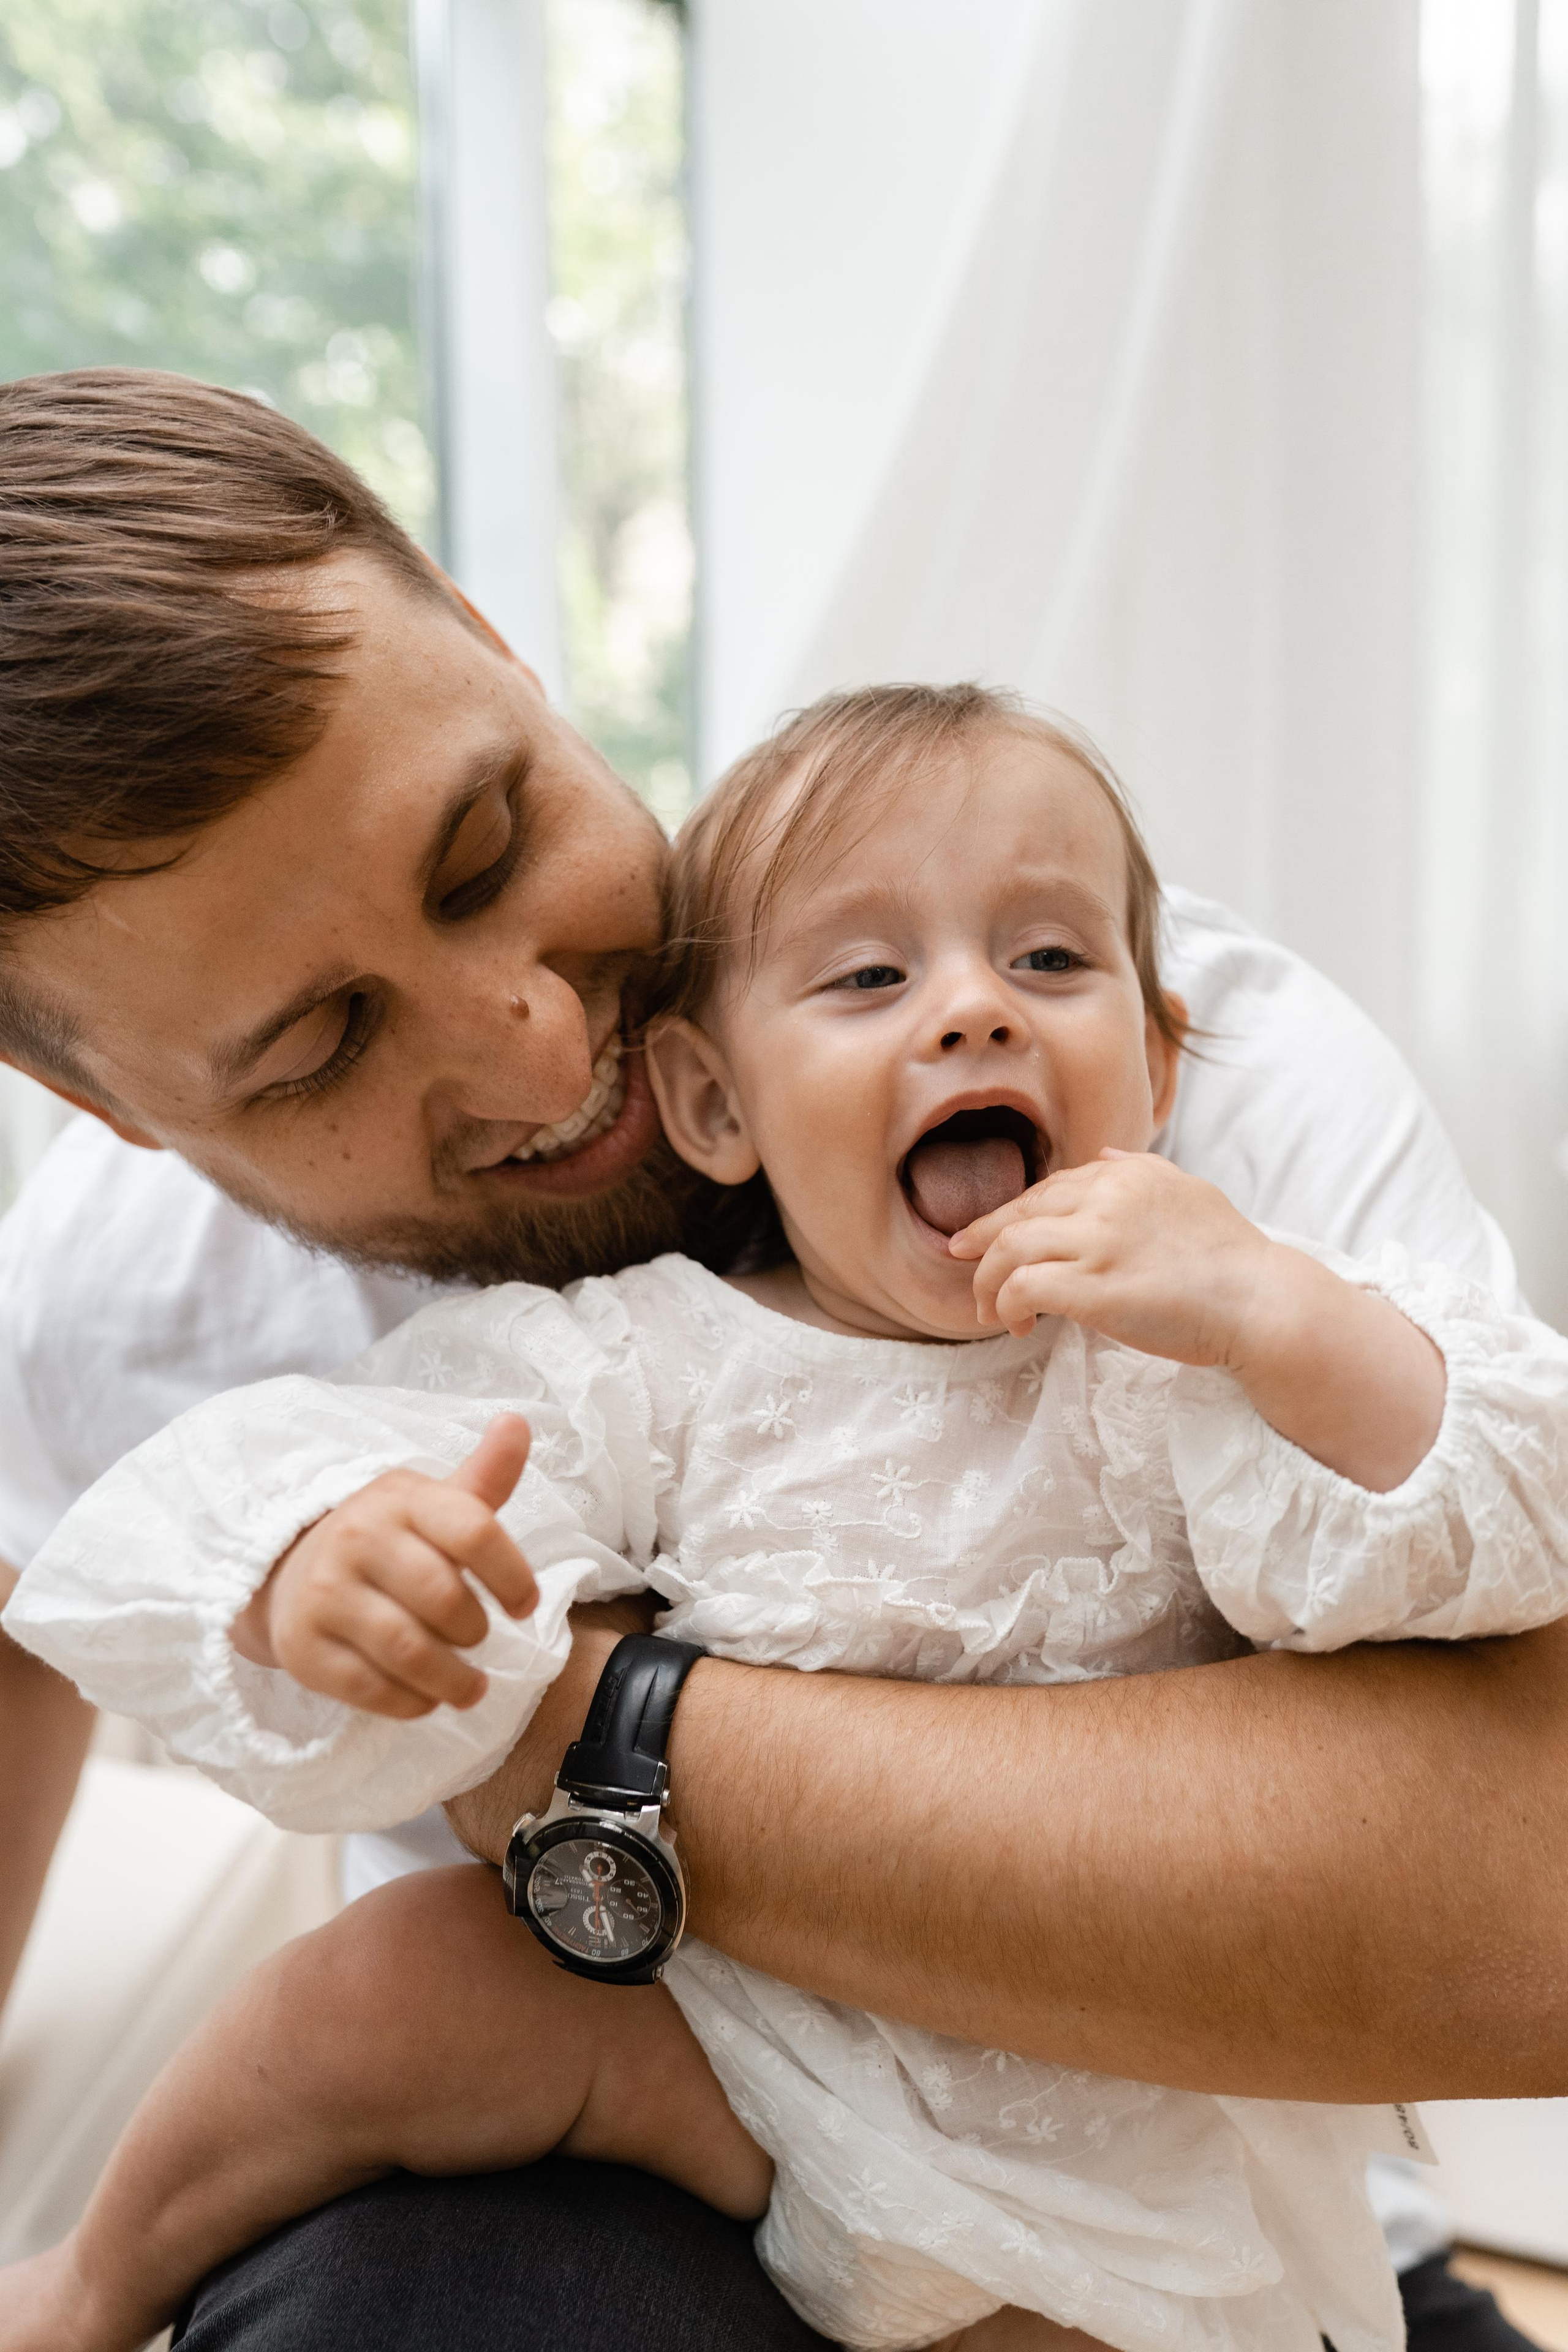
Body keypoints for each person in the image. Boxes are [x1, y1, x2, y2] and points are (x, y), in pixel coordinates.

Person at [0, 371, 1559, 2352]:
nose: (543, 1056)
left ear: (500, 643)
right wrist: (314, 1567)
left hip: (1194, 2217)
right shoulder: (109, 1300)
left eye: (490, 843)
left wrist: (578, 1729)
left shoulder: (1162, 1093)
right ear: (114, 1111)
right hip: (661, 2129)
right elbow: (114, 1581)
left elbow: (1534, 1909)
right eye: (318, 1053)